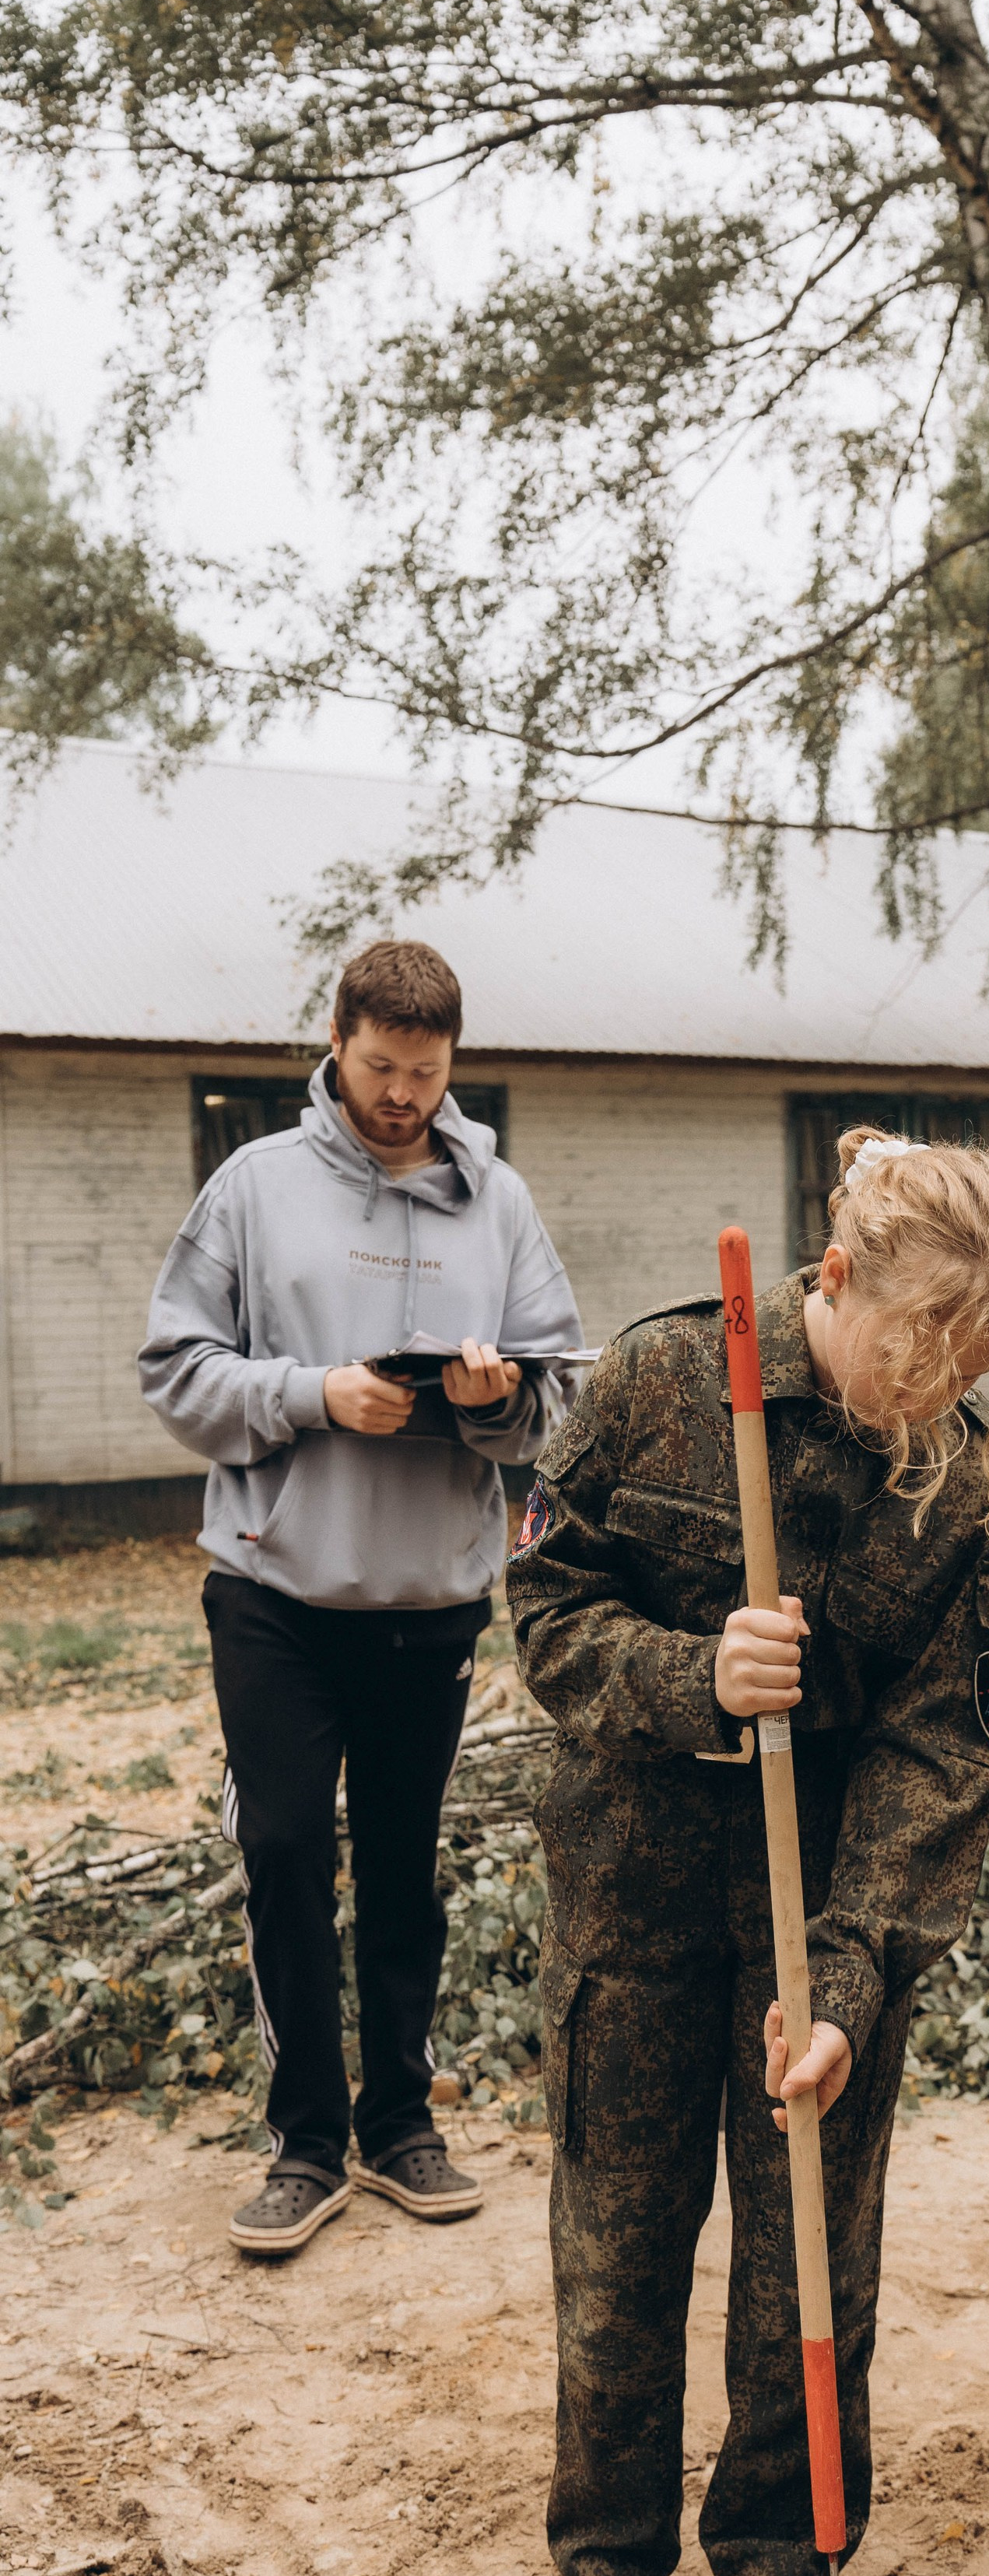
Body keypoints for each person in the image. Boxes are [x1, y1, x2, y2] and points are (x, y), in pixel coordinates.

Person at [507, 1128, 989, 2576]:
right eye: (908, 1350)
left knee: (811, 2250)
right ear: (833, 1285)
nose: (928, 1392)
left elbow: (948, 1746)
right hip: (632, 1893)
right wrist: (691, 1674)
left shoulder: (960, 1487)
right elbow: (543, 1609)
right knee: (618, 2235)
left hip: (820, 1926)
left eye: (968, 1363)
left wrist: (860, 1969)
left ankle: (785, 2561)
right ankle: (606, 2558)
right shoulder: (663, 1380)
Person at [140, 938, 584, 2259]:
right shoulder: (253, 1189)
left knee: (402, 1865)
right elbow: (174, 1371)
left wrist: (499, 1407)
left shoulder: (496, 1202)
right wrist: (312, 1393)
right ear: (335, 1040)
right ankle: (304, 2142)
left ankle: (399, 2123)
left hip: (431, 1599)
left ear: (454, 1064)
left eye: (426, 1072)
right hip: (276, 1592)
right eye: (382, 1066)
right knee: (284, 1850)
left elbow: (563, 1399)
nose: (402, 1094)